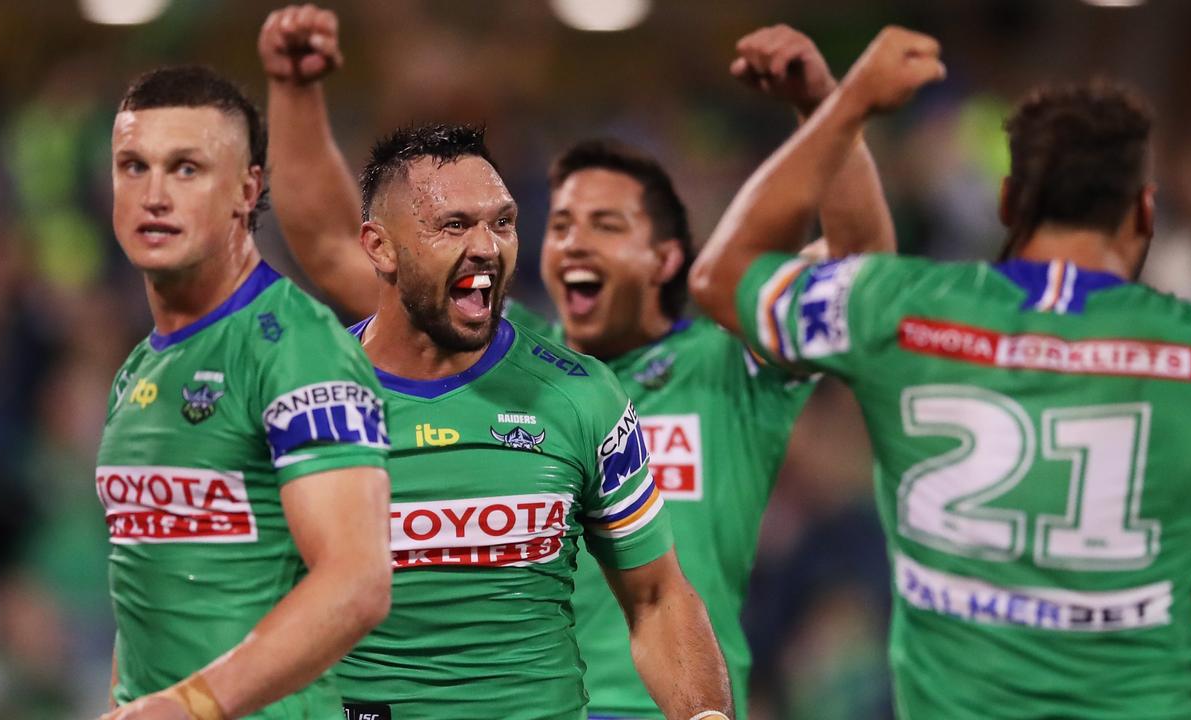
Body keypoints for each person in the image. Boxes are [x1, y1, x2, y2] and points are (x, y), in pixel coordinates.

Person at [259, 7, 894, 718]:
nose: (572, 243)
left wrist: (828, 109)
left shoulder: (723, 362)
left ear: (667, 260)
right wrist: (293, 88)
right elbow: (332, 245)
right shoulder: (492, 344)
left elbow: (858, 273)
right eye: (560, 224)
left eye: (605, 225)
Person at [691, 24, 1191, 719]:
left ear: (1007, 202)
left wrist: (844, 104)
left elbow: (722, 275)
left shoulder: (905, 313)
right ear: (1146, 214)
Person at [97, 66, 392, 720]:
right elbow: (147, 587)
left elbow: (359, 581)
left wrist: (193, 705)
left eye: (186, 169)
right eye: (133, 167)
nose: (153, 195)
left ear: (246, 188)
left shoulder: (297, 347)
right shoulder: (137, 370)